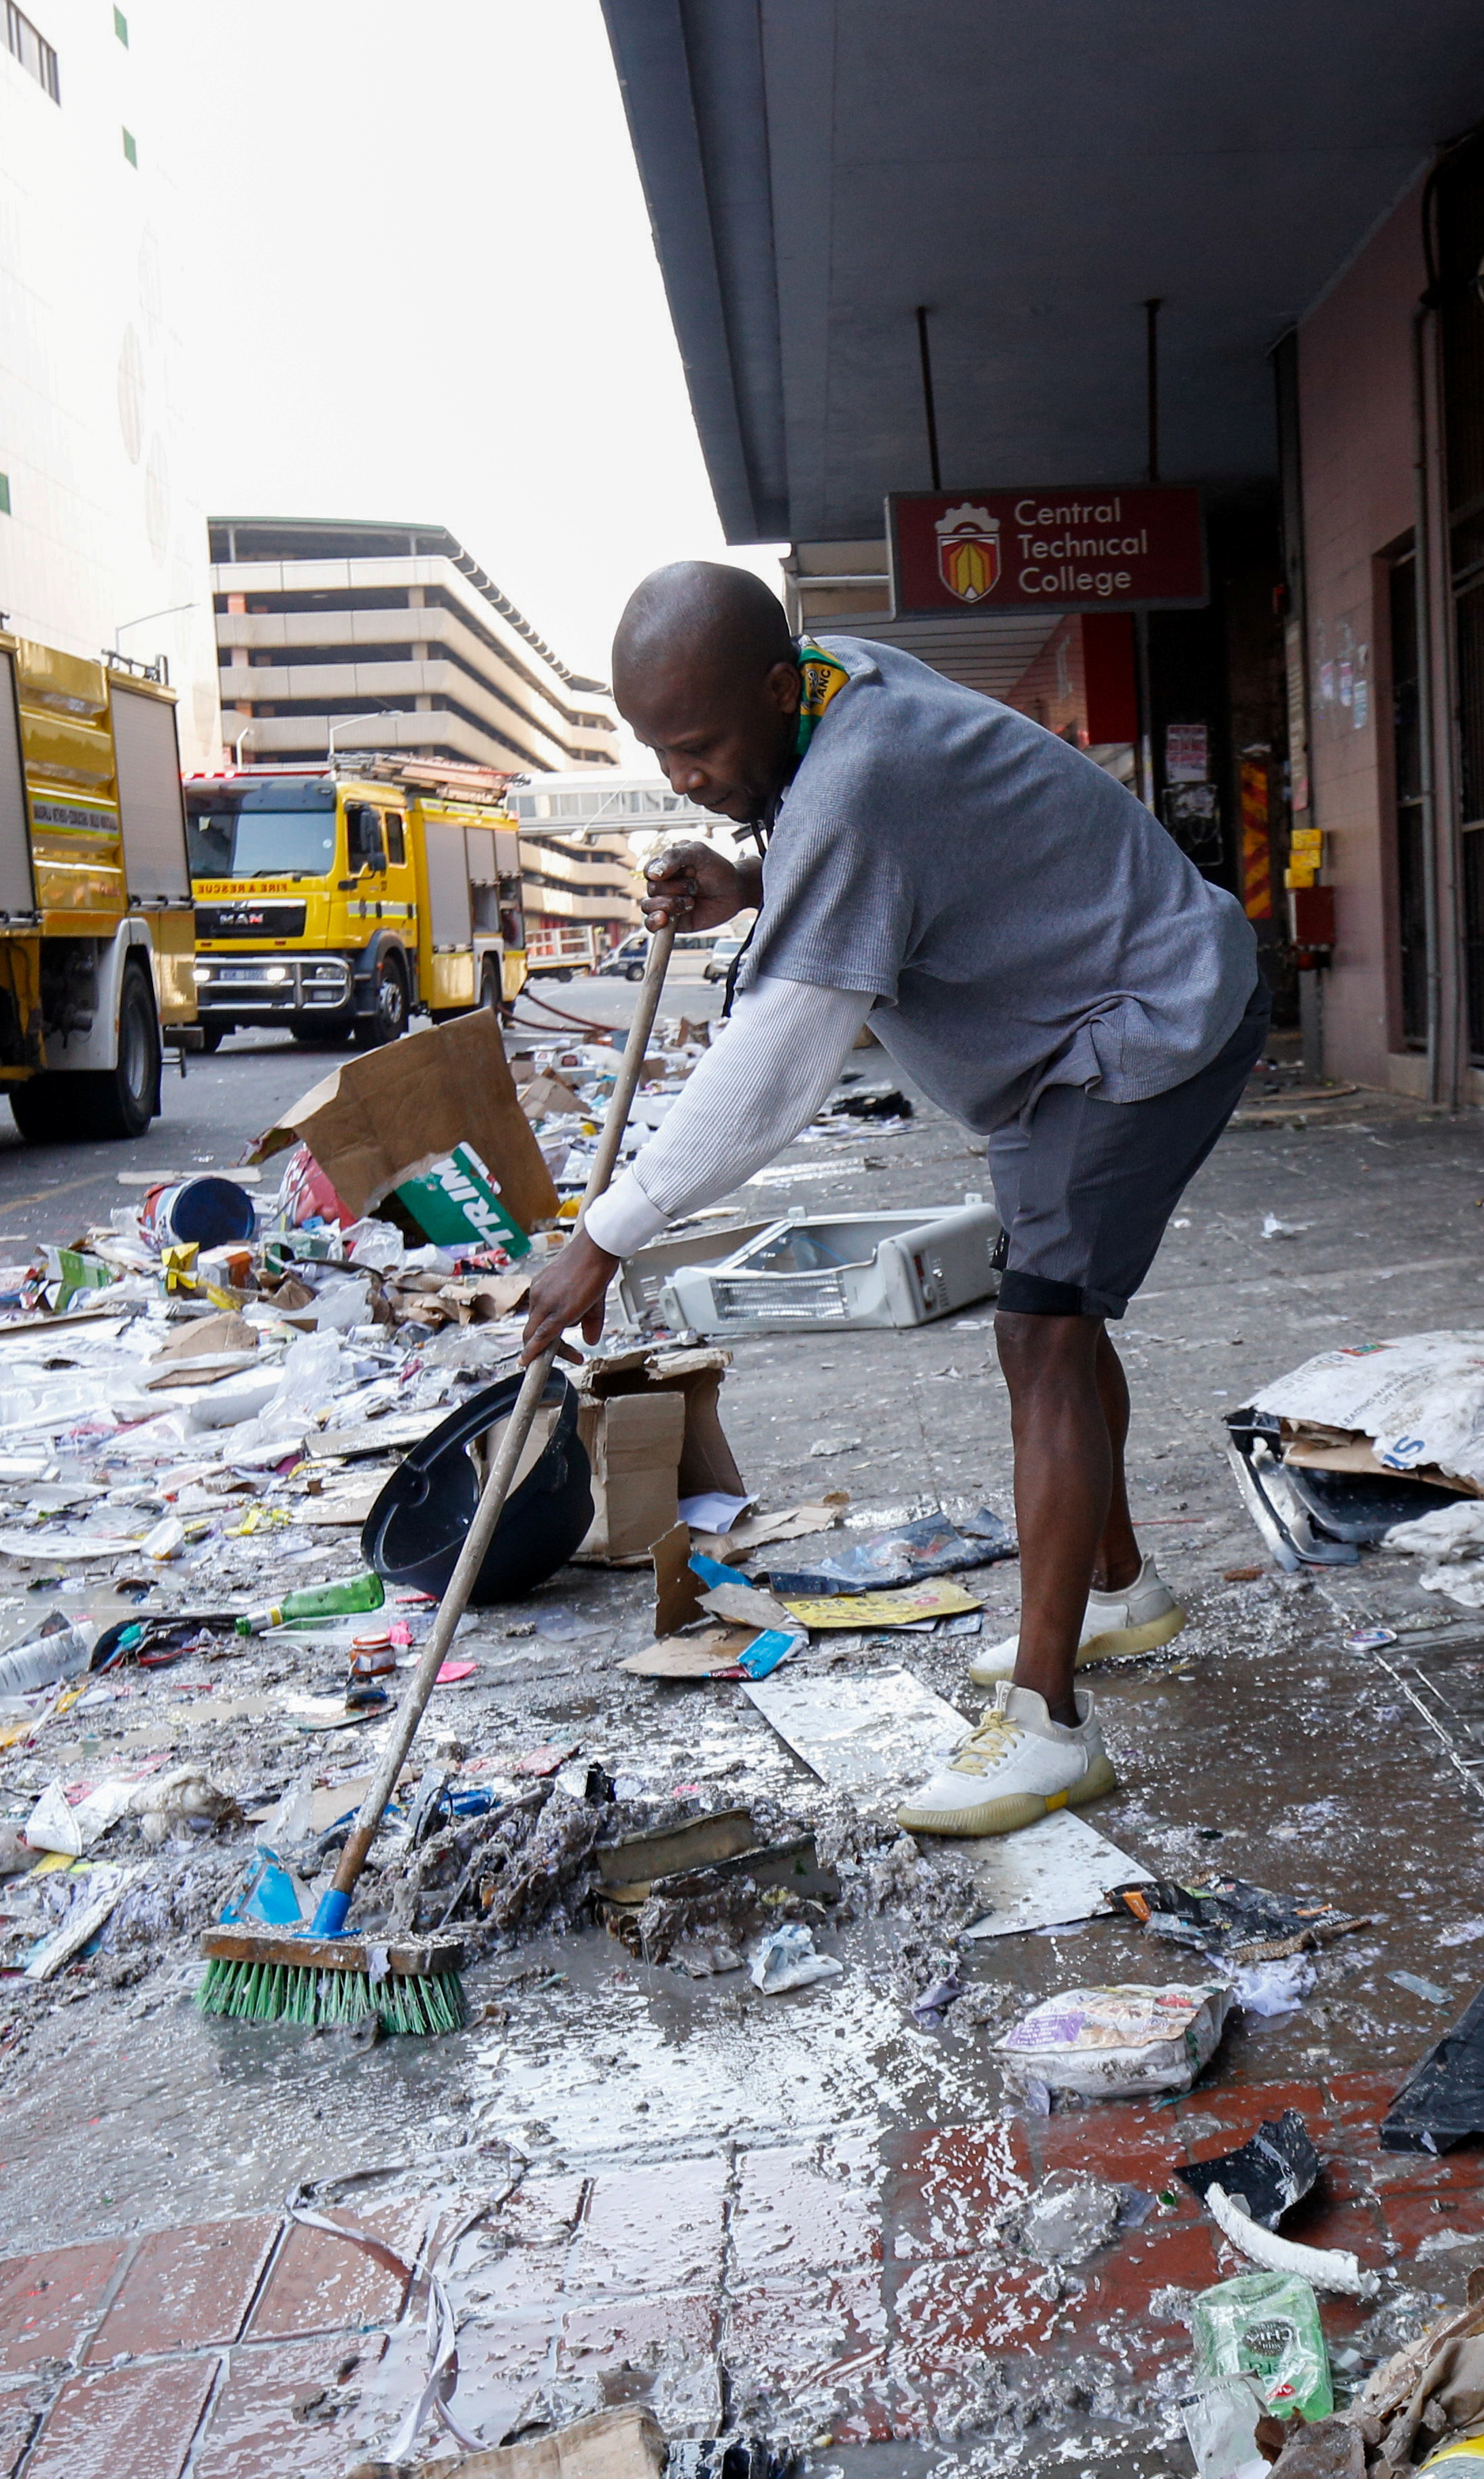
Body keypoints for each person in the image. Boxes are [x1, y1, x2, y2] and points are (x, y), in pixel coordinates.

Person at [519, 564, 1265, 1839]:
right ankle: (1114, 1589)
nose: (684, 778)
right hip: (1076, 1024)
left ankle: (1046, 1726)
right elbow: (909, 847)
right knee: (1053, 1321)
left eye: (697, 747)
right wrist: (760, 886)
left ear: (769, 685)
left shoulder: (858, 784)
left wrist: (605, 1235)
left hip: (1142, 1020)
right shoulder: (836, 678)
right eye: (659, 753)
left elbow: (776, 1069)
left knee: (1042, 1329)